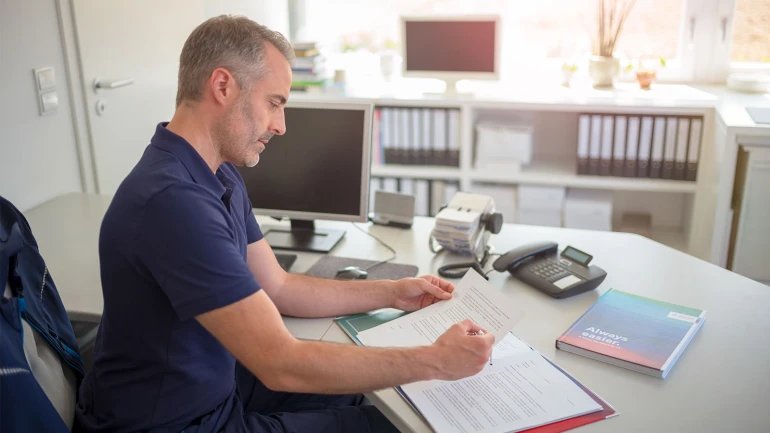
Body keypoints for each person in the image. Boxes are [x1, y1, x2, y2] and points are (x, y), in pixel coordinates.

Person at [74, 15, 494, 433]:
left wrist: (391, 293)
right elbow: (281, 364)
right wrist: (435, 360)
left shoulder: (216, 172)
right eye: (274, 102)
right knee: (390, 423)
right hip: (173, 422)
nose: (281, 125)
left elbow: (279, 287)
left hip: (216, 389)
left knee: (374, 397)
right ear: (222, 86)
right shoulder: (174, 203)